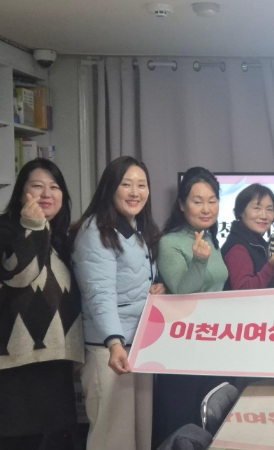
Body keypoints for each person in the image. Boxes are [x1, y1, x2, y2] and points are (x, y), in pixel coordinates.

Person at [71, 156, 163, 450]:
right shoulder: (95, 231)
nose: (135, 192)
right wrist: (113, 342)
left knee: (139, 432)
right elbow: (99, 293)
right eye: (126, 184)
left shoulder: (137, 228)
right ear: (110, 188)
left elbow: (133, 278)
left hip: (138, 342)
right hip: (109, 348)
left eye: (142, 185)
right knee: (112, 436)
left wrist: (156, 286)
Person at [0, 159, 83, 450]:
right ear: (21, 193)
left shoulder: (62, 238)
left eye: (55, 187)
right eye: (37, 186)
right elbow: (20, 275)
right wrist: (32, 227)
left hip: (56, 363)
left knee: (55, 441)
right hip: (16, 367)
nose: (47, 194)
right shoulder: (5, 230)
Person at [153, 167, 231, 446]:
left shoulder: (210, 238)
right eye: (198, 201)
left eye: (212, 200)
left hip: (214, 344)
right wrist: (198, 261)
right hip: (183, 349)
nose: (206, 208)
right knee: (184, 427)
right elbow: (182, 291)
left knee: (213, 420)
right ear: (182, 204)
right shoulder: (170, 242)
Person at [220, 184, 274, 289]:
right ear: (241, 211)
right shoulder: (238, 248)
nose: (264, 216)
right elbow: (244, 291)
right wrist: (272, 266)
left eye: (269, 209)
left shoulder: (256, 242)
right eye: (257, 208)